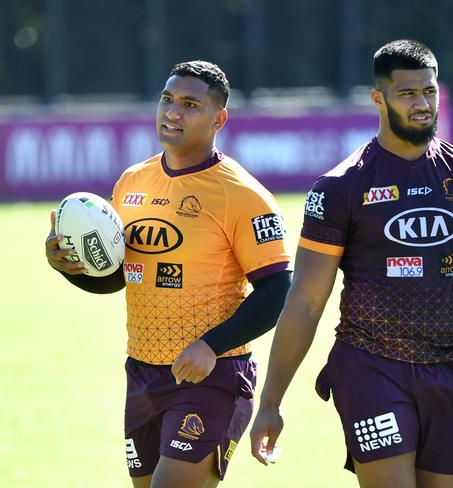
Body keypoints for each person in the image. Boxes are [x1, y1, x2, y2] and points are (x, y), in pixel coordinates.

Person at [250, 39, 453, 487]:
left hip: (451, 367)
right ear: (378, 98)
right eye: (408, 94)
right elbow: (305, 301)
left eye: (430, 92)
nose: (422, 104)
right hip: (370, 365)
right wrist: (271, 402)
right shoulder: (340, 186)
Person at [45, 60, 292, 488]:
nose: (173, 112)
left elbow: (277, 290)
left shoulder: (243, 194)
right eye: (167, 99)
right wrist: (70, 269)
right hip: (143, 372)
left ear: (219, 119)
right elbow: (120, 276)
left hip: (211, 376)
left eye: (190, 104)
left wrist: (211, 345)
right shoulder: (132, 181)